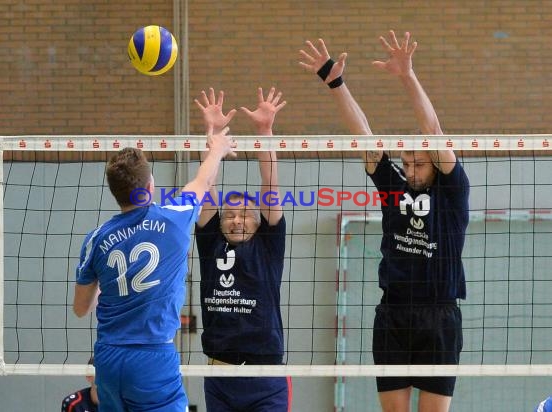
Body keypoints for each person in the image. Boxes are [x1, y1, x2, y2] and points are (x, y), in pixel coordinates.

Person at [300, 30, 470, 412]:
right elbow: (364, 136)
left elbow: (433, 131)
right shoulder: (394, 188)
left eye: (417, 163)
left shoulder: (452, 192)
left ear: (436, 164)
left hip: (440, 314)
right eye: (406, 162)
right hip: (393, 313)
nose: (409, 169)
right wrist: (336, 83)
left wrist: (407, 76)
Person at [72, 128, 236, 412]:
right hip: (152, 356)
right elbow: (203, 180)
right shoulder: (173, 219)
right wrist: (218, 148)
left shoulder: (96, 239)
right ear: (150, 187)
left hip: (107, 359)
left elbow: (80, 308)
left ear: (115, 193)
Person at [194, 86, 292, 411]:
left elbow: (270, 185)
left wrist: (265, 131)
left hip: (265, 376)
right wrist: (213, 135)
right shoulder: (212, 245)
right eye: (230, 215)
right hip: (220, 376)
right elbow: (207, 187)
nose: (237, 220)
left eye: (246, 215)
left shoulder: (268, 245)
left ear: (258, 221)